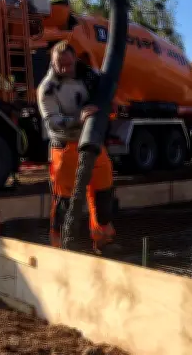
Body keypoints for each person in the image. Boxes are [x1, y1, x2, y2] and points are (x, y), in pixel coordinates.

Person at [37, 40, 117, 252]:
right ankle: (61, 243)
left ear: (75, 60)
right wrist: (78, 118)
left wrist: (110, 102)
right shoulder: (47, 89)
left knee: (103, 189)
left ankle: (103, 238)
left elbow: (107, 88)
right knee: (65, 198)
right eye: (59, 65)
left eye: (68, 65)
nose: (64, 69)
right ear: (52, 63)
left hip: (93, 143)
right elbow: (53, 122)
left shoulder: (89, 75)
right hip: (65, 147)